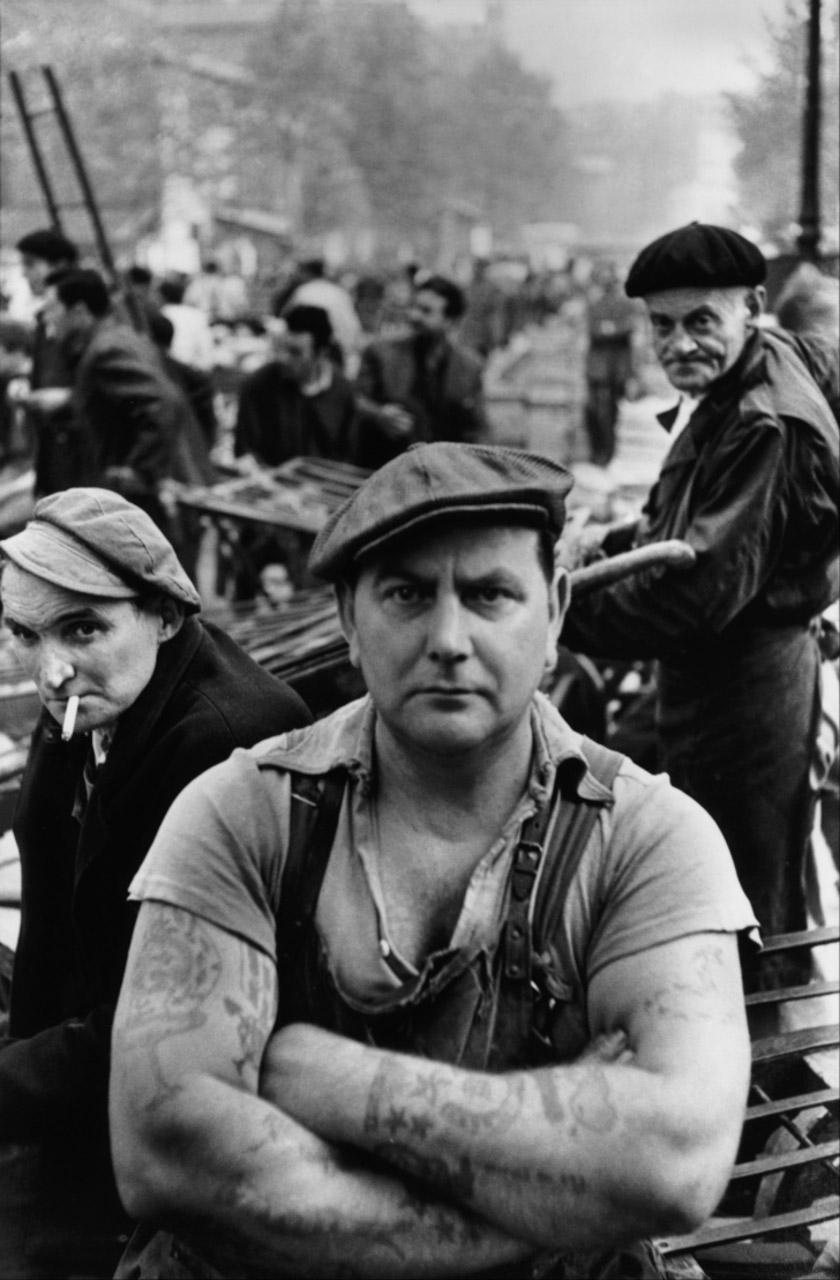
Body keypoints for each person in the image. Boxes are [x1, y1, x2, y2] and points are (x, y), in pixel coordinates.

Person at [110, 441, 757, 1279]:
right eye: (408, 595)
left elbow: (670, 1162)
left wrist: (330, 1079)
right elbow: (169, 1153)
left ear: (555, 612)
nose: (448, 638)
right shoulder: (241, 814)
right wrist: (544, 1208)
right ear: (349, 617)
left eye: (489, 594)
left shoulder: (646, 837)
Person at [0, 488, 311, 1279]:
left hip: (184, 1118)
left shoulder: (222, 746)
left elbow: (167, 1023)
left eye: (82, 627)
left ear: (167, 616)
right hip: (80, 1069)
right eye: (22, 634)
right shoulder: (97, 689)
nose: (51, 668)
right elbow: (52, 891)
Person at [562, 222, 839, 992]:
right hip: (718, 672)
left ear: (751, 306)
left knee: (750, 901)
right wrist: (598, 547)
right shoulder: (734, 381)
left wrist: (547, 610)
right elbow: (672, 525)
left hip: (748, 686)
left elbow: (692, 595)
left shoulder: (763, 423)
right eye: (663, 325)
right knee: (720, 866)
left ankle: (773, 1090)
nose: (679, 343)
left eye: (700, 321)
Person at [43, 267, 200, 538]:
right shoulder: (115, 337)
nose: (48, 318)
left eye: (53, 309)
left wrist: (140, 471)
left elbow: (164, 402)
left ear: (79, 311)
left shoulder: (106, 348)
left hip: (140, 501)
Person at [354, 271, 488, 469]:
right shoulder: (380, 352)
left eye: (426, 311)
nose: (413, 315)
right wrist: (379, 415)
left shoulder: (469, 366)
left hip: (446, 472)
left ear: (450, 320)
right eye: (414, 307)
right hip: (388, 468)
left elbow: (477, 428)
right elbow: (356, 400)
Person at [234, 304, 358, 468]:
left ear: (321, 353)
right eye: (281, 349)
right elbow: (245, 452)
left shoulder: (342, 390)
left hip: (324, 484)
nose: (284, 359)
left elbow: (347, 455)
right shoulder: (258, 385)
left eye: (295, 353)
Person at [14, 228, 83, 495]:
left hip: (80, 453)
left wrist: (67, 398)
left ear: (61, 266)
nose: (24, 273)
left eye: (31, 264)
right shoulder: (45, 318)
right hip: (54, 450)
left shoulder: (83, 317)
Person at [584, 268, 640, 466]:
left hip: (614, 369)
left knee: (613, 412)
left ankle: (608, 452)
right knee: (602, 412)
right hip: (603, 369)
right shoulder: (596, 306)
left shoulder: (624, 306)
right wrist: (613, 329)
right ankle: (603, 452)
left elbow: (627, 327)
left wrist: (609, 328)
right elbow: (595, 330)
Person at [285, 257, 364, 373]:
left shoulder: (304, 292)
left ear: (306, 272)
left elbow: (289, 325)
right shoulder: (339, 292)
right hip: (345, 355)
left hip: (321, 355)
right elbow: (354, 328)